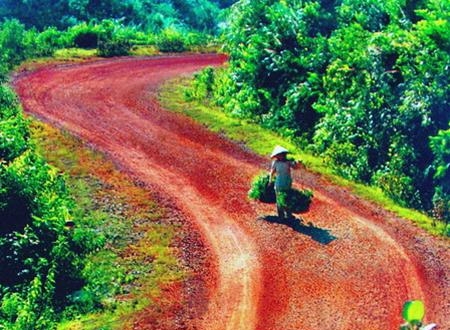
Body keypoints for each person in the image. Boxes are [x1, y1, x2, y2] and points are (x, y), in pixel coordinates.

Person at [269, 145, 299, 220]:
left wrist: (298, 163)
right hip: (279, 183)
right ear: (277, 156)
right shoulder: (275, 163)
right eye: (280, 154)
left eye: (283, 154)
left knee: (287, 197)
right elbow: (272, 172)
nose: (282, 156)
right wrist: (270, 180)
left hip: (287, 182)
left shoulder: (288, 162)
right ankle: (281, 215)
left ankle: (288, 214)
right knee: (279, 199)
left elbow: (295, 167)